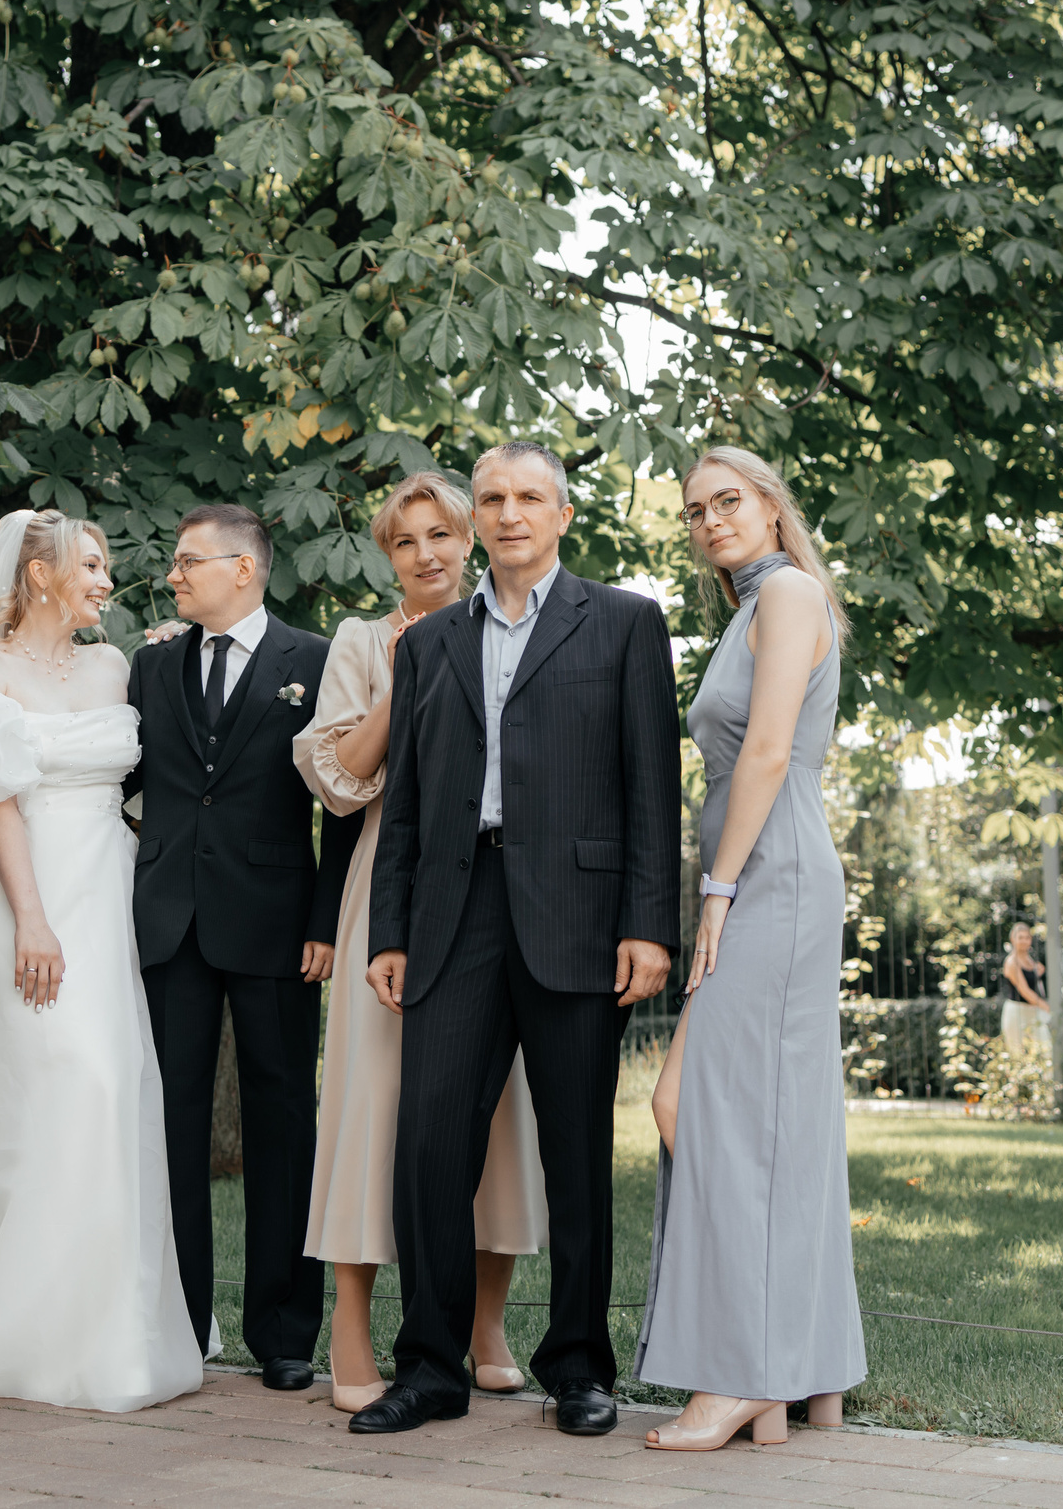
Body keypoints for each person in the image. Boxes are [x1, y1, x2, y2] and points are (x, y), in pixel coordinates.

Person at [353, 440, 681, 1438]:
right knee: (428, 1147)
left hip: (579, 918)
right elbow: (404, 796)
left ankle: (578, 1367)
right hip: (455, 914)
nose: (507, 514)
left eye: (527, 497)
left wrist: (647, 925)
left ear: (562, 515)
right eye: (490, 498)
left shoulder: (623, 623)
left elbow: (650, 790)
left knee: (577, 1152)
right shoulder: (434, 640)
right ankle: (430, 1367)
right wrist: (390, 927)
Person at [0, 510, 203, 1411]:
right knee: (30, 1092)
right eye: (91, 565)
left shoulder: (115, 665)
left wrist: (180, 644)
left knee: (107, 1086)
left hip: (106, 894)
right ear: (39, 573)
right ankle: (8, 1320)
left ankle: (100, 1324)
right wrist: (32, 917)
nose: (107, 579)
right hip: (21, 895)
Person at [292, 471, 546, 1413]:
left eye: (442, 533)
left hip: (498, 893)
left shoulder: (514, 627)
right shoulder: (360, 642)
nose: (428, 553)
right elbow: (339, 782)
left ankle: (484, 1322)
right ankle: (351, 1330)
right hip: (387, 891)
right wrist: (402, 684)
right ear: (386, 554)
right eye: (407, 541)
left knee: (495, 1113)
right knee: (371, 1105)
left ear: (471, 538)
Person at [637, 444, 866, 1450]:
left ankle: (741, 1375)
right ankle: (801, 1373)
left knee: (704, 1109)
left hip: (769, 877)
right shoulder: (750, 608)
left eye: (727, 502)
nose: (710, 521)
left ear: (772, 507)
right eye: (693, 511)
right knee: (770, 1121)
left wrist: (717, 893)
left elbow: (768, 750)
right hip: (757, 874)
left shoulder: (790, 599)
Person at [127, 503, 336, 1390]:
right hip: (170, 919)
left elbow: (345, 802)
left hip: (280, 923)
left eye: (187, 561)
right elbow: (123, 777)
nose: (173, 575)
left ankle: (285, 1331)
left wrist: (326, 919)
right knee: (166, 1123)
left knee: (284, 1119)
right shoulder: (151, 661)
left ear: (243, 568)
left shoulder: (315, 660)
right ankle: (183, 1321)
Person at [1001, 922, 1046, 1056]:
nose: (1024, 941)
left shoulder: (1030, 959)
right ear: (1013, 939)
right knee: (1017, 1055)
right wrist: (1048, 1008)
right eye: (1020, 937)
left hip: (1032, 1011)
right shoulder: (1011, 962)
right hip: (1016, 1012)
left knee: (1045, 1049)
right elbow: (1025, 991)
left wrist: (1038, 972)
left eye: (1027, 937)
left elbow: (1033, 983)